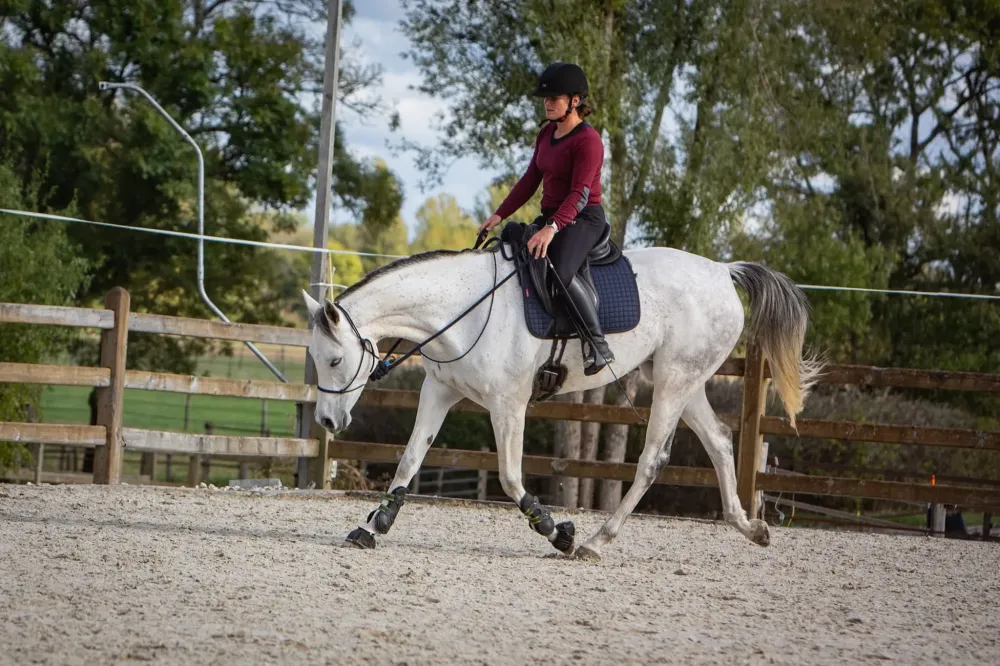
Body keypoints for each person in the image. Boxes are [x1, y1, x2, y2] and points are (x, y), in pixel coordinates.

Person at [479, 62, 614, 375]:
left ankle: (598, 344)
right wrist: (499, 214)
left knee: (560, 270)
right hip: (553, 215)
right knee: (513, 243)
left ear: (574, 101)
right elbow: (530, 179)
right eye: (545, 98)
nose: (547, 103)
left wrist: (552, 228)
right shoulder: (546, 134)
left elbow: (580, 194)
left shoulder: (588, 141)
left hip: (584, 218)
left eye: (554, 98)